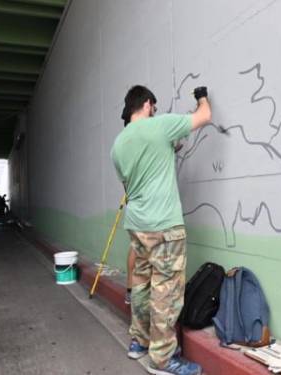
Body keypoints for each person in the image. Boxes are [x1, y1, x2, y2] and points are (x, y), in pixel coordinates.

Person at [111, 85, 212, 375]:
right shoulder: (161, 125)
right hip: (164, 227)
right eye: (153, 107)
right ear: (146, 104)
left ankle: (139, 342)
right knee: (166, 293)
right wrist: (201, 96)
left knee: (141, 286)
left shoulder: (117, 145)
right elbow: (204, 115)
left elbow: (131, 184)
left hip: (138, 227)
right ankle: (164, 360)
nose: (155, 111)